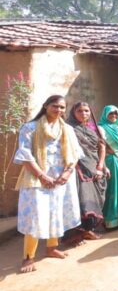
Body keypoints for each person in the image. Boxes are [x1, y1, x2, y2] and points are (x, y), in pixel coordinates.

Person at [14, 96, 83, 273]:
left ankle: (51, 248)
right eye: (55, 106)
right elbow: (25, 156)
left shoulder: (67, 129)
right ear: (45, 106)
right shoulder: (29, 128)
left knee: (56, 212)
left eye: (62, 107)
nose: (59, 110)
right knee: (36, 216)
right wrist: (42, 176)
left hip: (61, 179)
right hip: (36, 179)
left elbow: (74, 154)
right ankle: (28, 257)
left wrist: (66, 173)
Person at [67, 102, 108, 242]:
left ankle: (89, 230)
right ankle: (79, 233)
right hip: (79, 170)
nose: (84, 113)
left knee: (95, 199)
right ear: (73, 113)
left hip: (95, 168)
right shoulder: (69, 129)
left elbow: (101, 147)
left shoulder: (92, 128)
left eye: (86, 110)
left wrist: (101, 166)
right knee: (83, 200)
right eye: (79, 111)